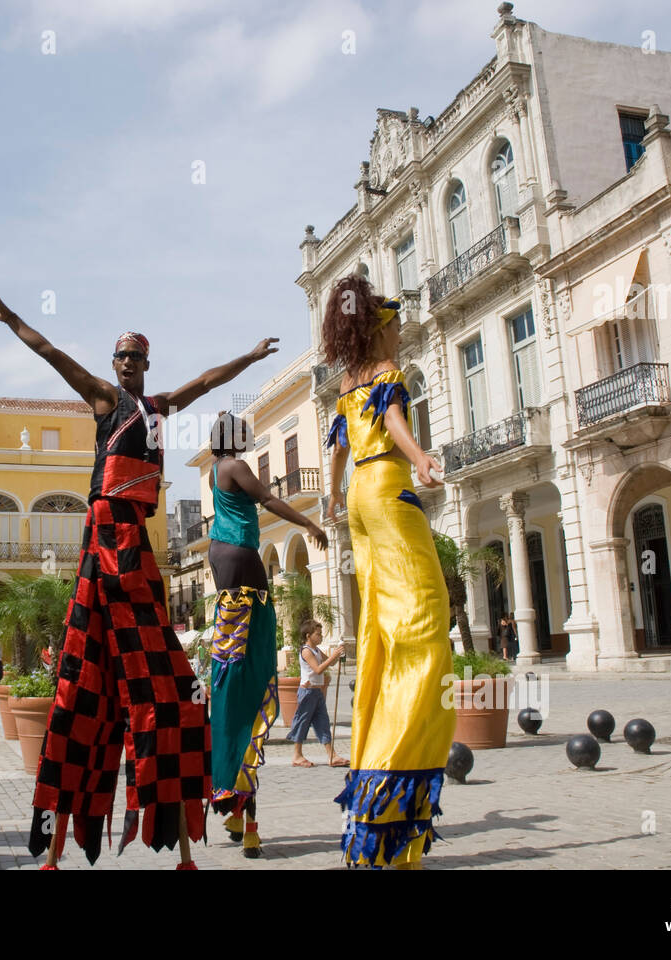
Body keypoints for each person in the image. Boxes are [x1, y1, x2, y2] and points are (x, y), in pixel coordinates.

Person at [0, 289, 278, 868]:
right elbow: (50, 353)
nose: (126, 365)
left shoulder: (159, 408)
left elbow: (209, 380)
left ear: (146, 364)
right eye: (120, 357)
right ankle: (58, 842)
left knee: (163, 678)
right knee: (81, 677)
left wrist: (252, 357)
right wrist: (12, 316)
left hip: (136, 540)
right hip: (103, 536)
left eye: (135, 358)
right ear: (114, 363)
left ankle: (180, 837)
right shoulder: (104, 400)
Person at [323, 274, 453, 869]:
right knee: (424, 624)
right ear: (381, 329)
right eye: (397, 327)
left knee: (380, 625)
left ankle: (379, 785)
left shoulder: (348, 383)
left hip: (356, 497)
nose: (402, 335)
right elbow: (396, 423)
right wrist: (421, 455)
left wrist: (328, 501)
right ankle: (395, 773)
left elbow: (337, 453)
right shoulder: (384, 375)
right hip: (388, 487)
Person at [206, 413, 327, 857]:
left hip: (224, 571)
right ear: (234, 440)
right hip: (242, 564)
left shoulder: (217, 473)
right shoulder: (236, 466)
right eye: (244, 434)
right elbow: (269, 500)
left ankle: (236, 807)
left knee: (232, 689)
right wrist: (309, 524)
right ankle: (248, 819)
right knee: (253, 691)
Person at [288, 619, 348, 769]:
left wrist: (338, 653)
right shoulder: (306, 650)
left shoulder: (316, 649)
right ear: (308, 635)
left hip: (317, 691)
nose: (321, 637)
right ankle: (297, 755)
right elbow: (318, 669)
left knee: (322, 722)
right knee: (303, 722)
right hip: (307, 691)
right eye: (318, 634)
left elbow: (330, 663)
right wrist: (333, 656)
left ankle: (332, 755)